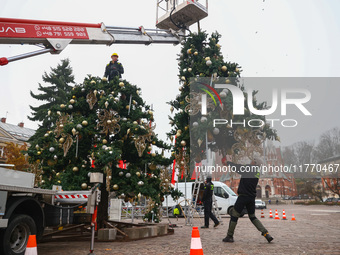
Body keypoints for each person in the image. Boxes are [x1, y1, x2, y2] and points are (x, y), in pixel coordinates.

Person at [223, 157, 273, 243]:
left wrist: (228, 163)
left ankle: (229, 236)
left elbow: (237, 167)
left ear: (255, 162)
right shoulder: (257, 172)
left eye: (253, 160)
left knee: (234, 215)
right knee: (253, 217)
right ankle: (266, 233)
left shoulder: (249, 168)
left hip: (243, 196)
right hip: (251, 197)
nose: (251, 161)